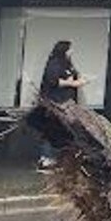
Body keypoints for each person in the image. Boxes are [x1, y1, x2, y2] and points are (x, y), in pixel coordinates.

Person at [37, 40, 86, 169]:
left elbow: (70, 78)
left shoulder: (67, 64)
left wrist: (80, 80)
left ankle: (60, 159)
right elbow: (53, 81)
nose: (72, 51)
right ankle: (46, 158)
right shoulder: (54, 63)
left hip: (67, 104)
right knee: (51, 130)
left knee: (63, 131)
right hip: (54, 103)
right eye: (70, 49)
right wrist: (72, 83)